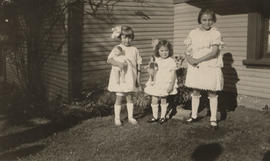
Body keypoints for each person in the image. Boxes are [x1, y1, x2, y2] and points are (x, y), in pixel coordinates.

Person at [184, 9, 224, 129]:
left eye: (210, 20)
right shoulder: (193, 33)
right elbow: (188, 49)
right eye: (204, 20)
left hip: (210, 65)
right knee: (195, 91)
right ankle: (194, 115)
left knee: (212, 91)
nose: (207, 23)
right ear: (200, 20)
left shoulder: (215, 33)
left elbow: (214, 52)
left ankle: (213, 119)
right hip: (196, 65)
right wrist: (190, 60)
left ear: (213, 21)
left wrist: (198, 60)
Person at [107, 25, 142, 126]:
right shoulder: (117, 48)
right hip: (121, 78)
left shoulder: (135, 49)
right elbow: (109, 59)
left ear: (132, 38)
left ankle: (131, 117)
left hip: (131, 77)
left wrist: (138, 79)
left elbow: (138, 63)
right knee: (119, 97)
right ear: (120, 37)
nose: (127, 40)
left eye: (129, 37)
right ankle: (117, 118)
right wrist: (119, 64)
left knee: (129, 97)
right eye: (124, 37)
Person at [144, 39, 178, 124]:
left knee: (163, 99)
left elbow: (174, 74)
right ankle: (155, 116)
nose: (164, 53)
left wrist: (171, 85)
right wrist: (150, 68)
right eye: (161, 51)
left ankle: (162, 116)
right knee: (154, 99)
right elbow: (152, 69)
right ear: (158, 51)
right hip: (157, 82)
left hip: (165, 82)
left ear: (169, 51)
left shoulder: (171, 61)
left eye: (166, 50)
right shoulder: (156, 59)